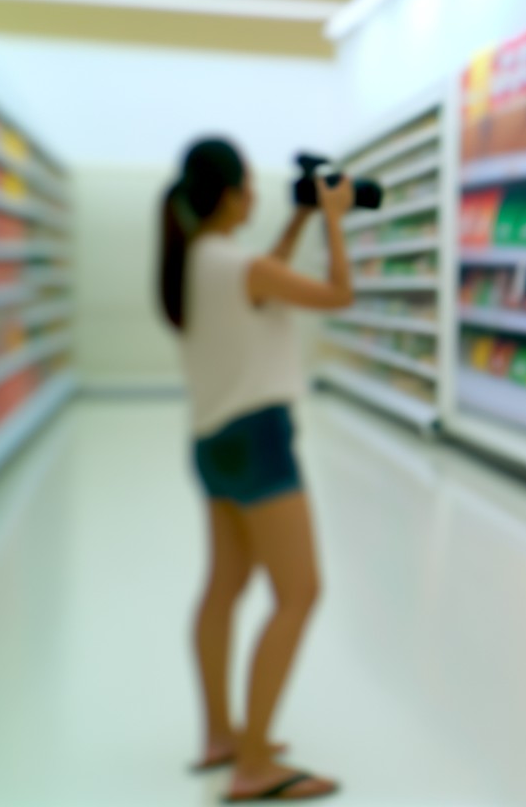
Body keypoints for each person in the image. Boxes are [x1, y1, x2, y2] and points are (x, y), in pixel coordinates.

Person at [157, 138, 353, 802]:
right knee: (300, 592)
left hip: (211, 444)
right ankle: (254, 769)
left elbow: (262, 276)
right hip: (261, 439)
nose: (257, 196)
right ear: (234, 193)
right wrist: (332, 217)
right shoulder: (237, 265)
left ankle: (221, 735)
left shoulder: (199, 261)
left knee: (224, 586)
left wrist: (298, 220)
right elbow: (337, 294)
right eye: (251, 186)